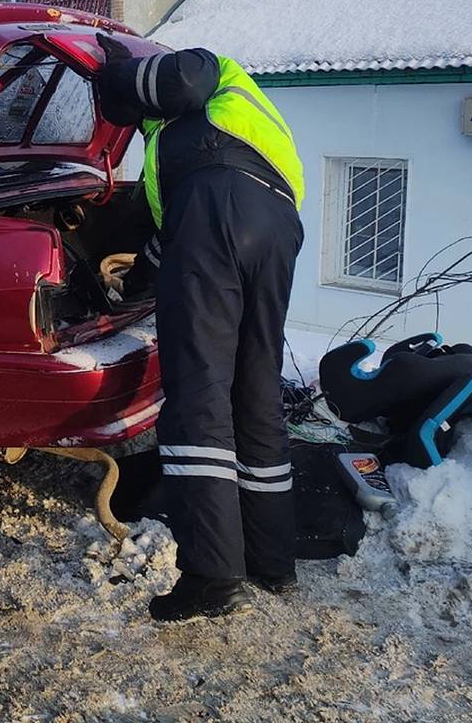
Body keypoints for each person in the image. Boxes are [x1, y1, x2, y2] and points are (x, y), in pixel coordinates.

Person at [94, 36, 305, 623]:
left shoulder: (205, 71)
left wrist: (114, 81)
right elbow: (177, 235)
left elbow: (183, 78)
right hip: (275, 227)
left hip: (220, 218)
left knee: (196, 399)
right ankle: (271, 562)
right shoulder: (208, 134)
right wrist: (136, 283)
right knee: (254, 393)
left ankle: (212, 578)